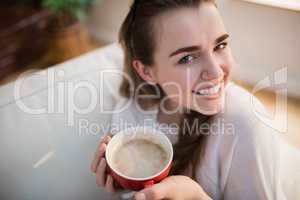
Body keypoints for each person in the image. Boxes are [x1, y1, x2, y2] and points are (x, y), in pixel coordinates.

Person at [91, 0, 300, 199]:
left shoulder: (246, 124)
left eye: (220, 45)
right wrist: (129, 188)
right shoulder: (131, 112)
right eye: (188, 58)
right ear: (146, 71)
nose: (216, 71)